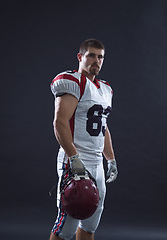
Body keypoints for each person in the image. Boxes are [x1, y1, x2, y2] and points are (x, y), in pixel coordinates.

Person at [49, 39, 118, 240]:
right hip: (75, 162)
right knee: (66, 228)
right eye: (91, 55)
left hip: (97, 163)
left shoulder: (105, 89)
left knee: (89, 225)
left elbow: (102, 127)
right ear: (80, 57)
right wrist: (74, 158)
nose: (96, 60)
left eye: (100, 57)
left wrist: (111, 159)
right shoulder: (74, 81)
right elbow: (60, 122)